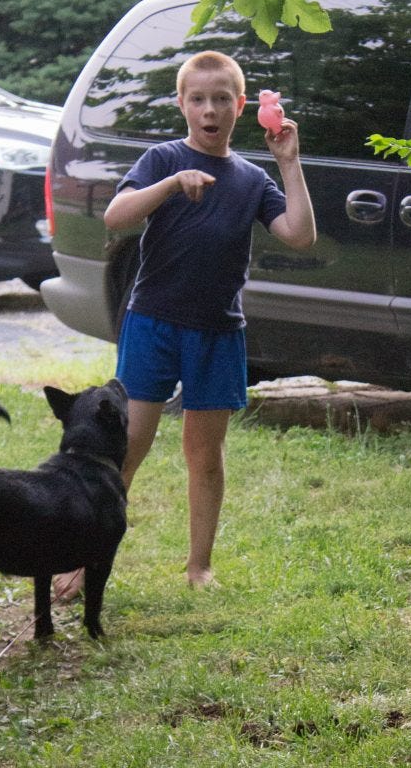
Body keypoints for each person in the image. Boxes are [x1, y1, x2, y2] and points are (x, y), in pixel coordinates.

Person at [55, 49, 316, 598]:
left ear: (240, 106)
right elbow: (116, 216)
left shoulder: (249, 180)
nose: (210, 109)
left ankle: (199, 567)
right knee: (126, 448)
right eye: (198, 99)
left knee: (205, 455)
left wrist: (289, 162)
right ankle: (83, 562)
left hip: (218, 332)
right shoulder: (161, 159)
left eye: (222, 99)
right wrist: (173, 184)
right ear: (182, 104)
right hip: (152, 323)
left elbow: (298, 234)